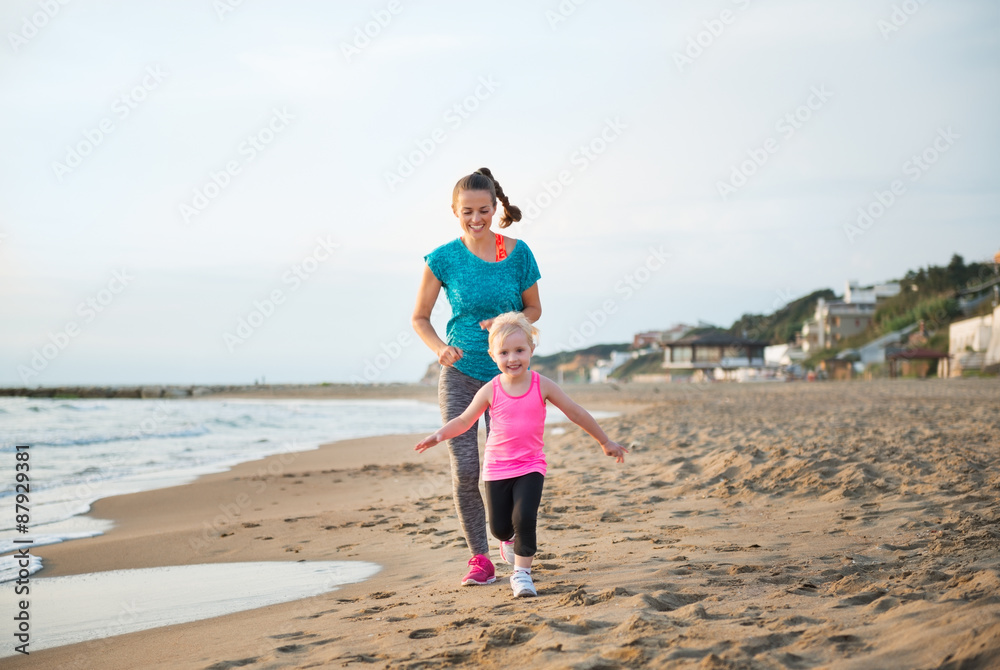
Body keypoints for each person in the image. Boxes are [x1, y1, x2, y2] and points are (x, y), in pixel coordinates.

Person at [414, 312, 628, 597]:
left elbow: (575, 412)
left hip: (531, 466)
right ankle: (507, 540)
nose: (512, 358)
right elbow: (465, 420)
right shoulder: (491, 390)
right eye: (504, 352)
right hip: (497, 470)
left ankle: (522, 575)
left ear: (531, 350)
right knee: (501, 529)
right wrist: (439, 435)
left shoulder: (543, 385)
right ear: (492, 355)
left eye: (519, 350)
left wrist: (605, 441)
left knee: (525, 517)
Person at [412, 168, 542, 587]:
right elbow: (420, 318)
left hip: (508, 378)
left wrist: (510, 321)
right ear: (454, 211)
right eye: (466, 211)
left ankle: (505, 534)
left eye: (484, 210)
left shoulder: (518, 252)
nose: (476, 218)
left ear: (495, 209)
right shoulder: (443, 258)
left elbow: (534, 309)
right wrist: (439, 349)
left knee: (510, 466)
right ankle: (479, 558)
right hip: (461, 373)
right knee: (465, 468)